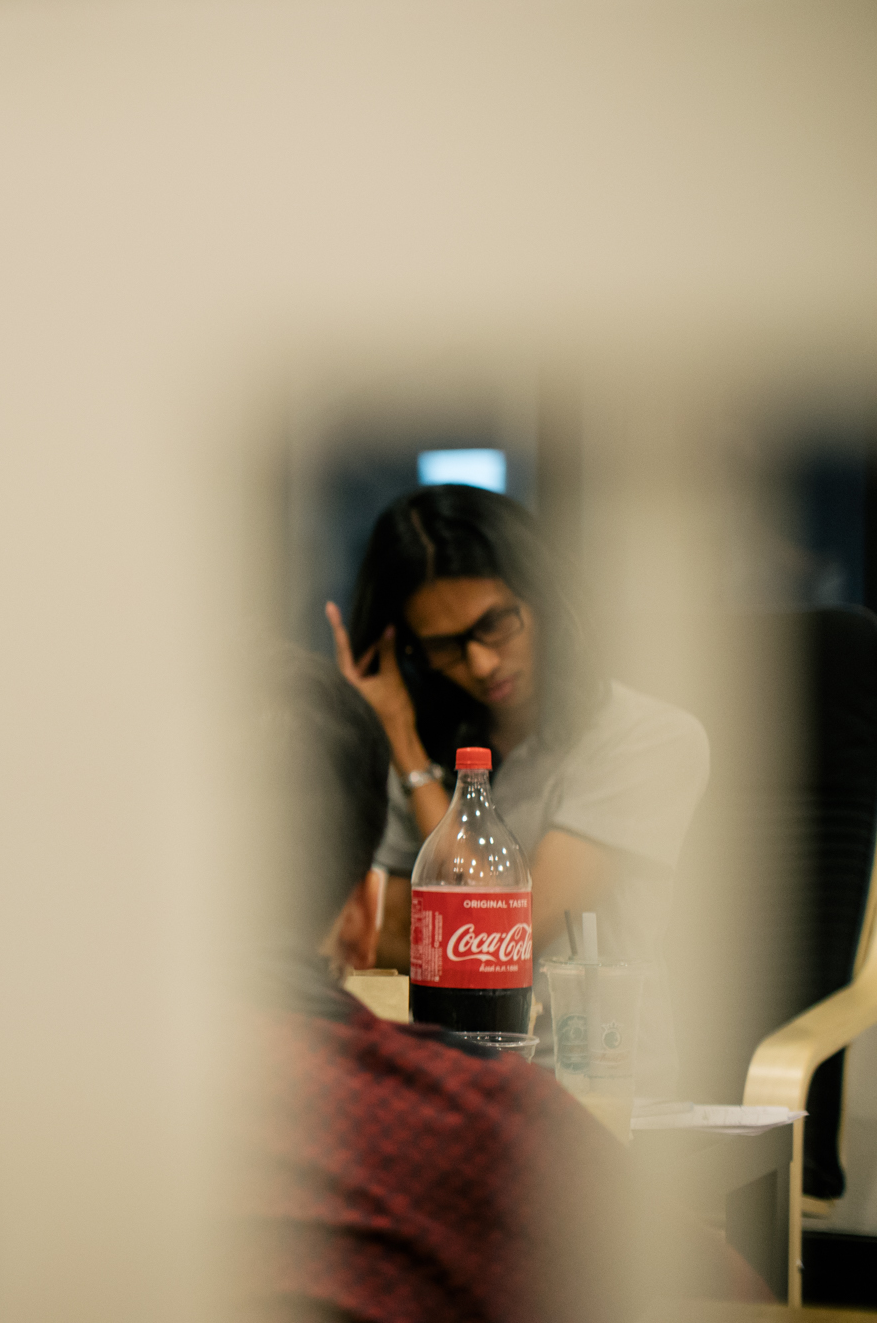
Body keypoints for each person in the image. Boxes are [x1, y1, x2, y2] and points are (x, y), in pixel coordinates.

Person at [250, 655, 758, 1321]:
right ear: (362, 916)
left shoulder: (85, 1106)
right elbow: (732, 1294)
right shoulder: (469, 1118)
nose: (480, 662)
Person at [324, 485, 709, 1090]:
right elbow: (367, 929)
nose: (481, 664)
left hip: (594, 1088)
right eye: (446, 647)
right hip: (448, 1082)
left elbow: (506, 934)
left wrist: (407, 753)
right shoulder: (431, 745)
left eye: (495, 624)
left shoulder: (650, 738)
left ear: (544, 598)